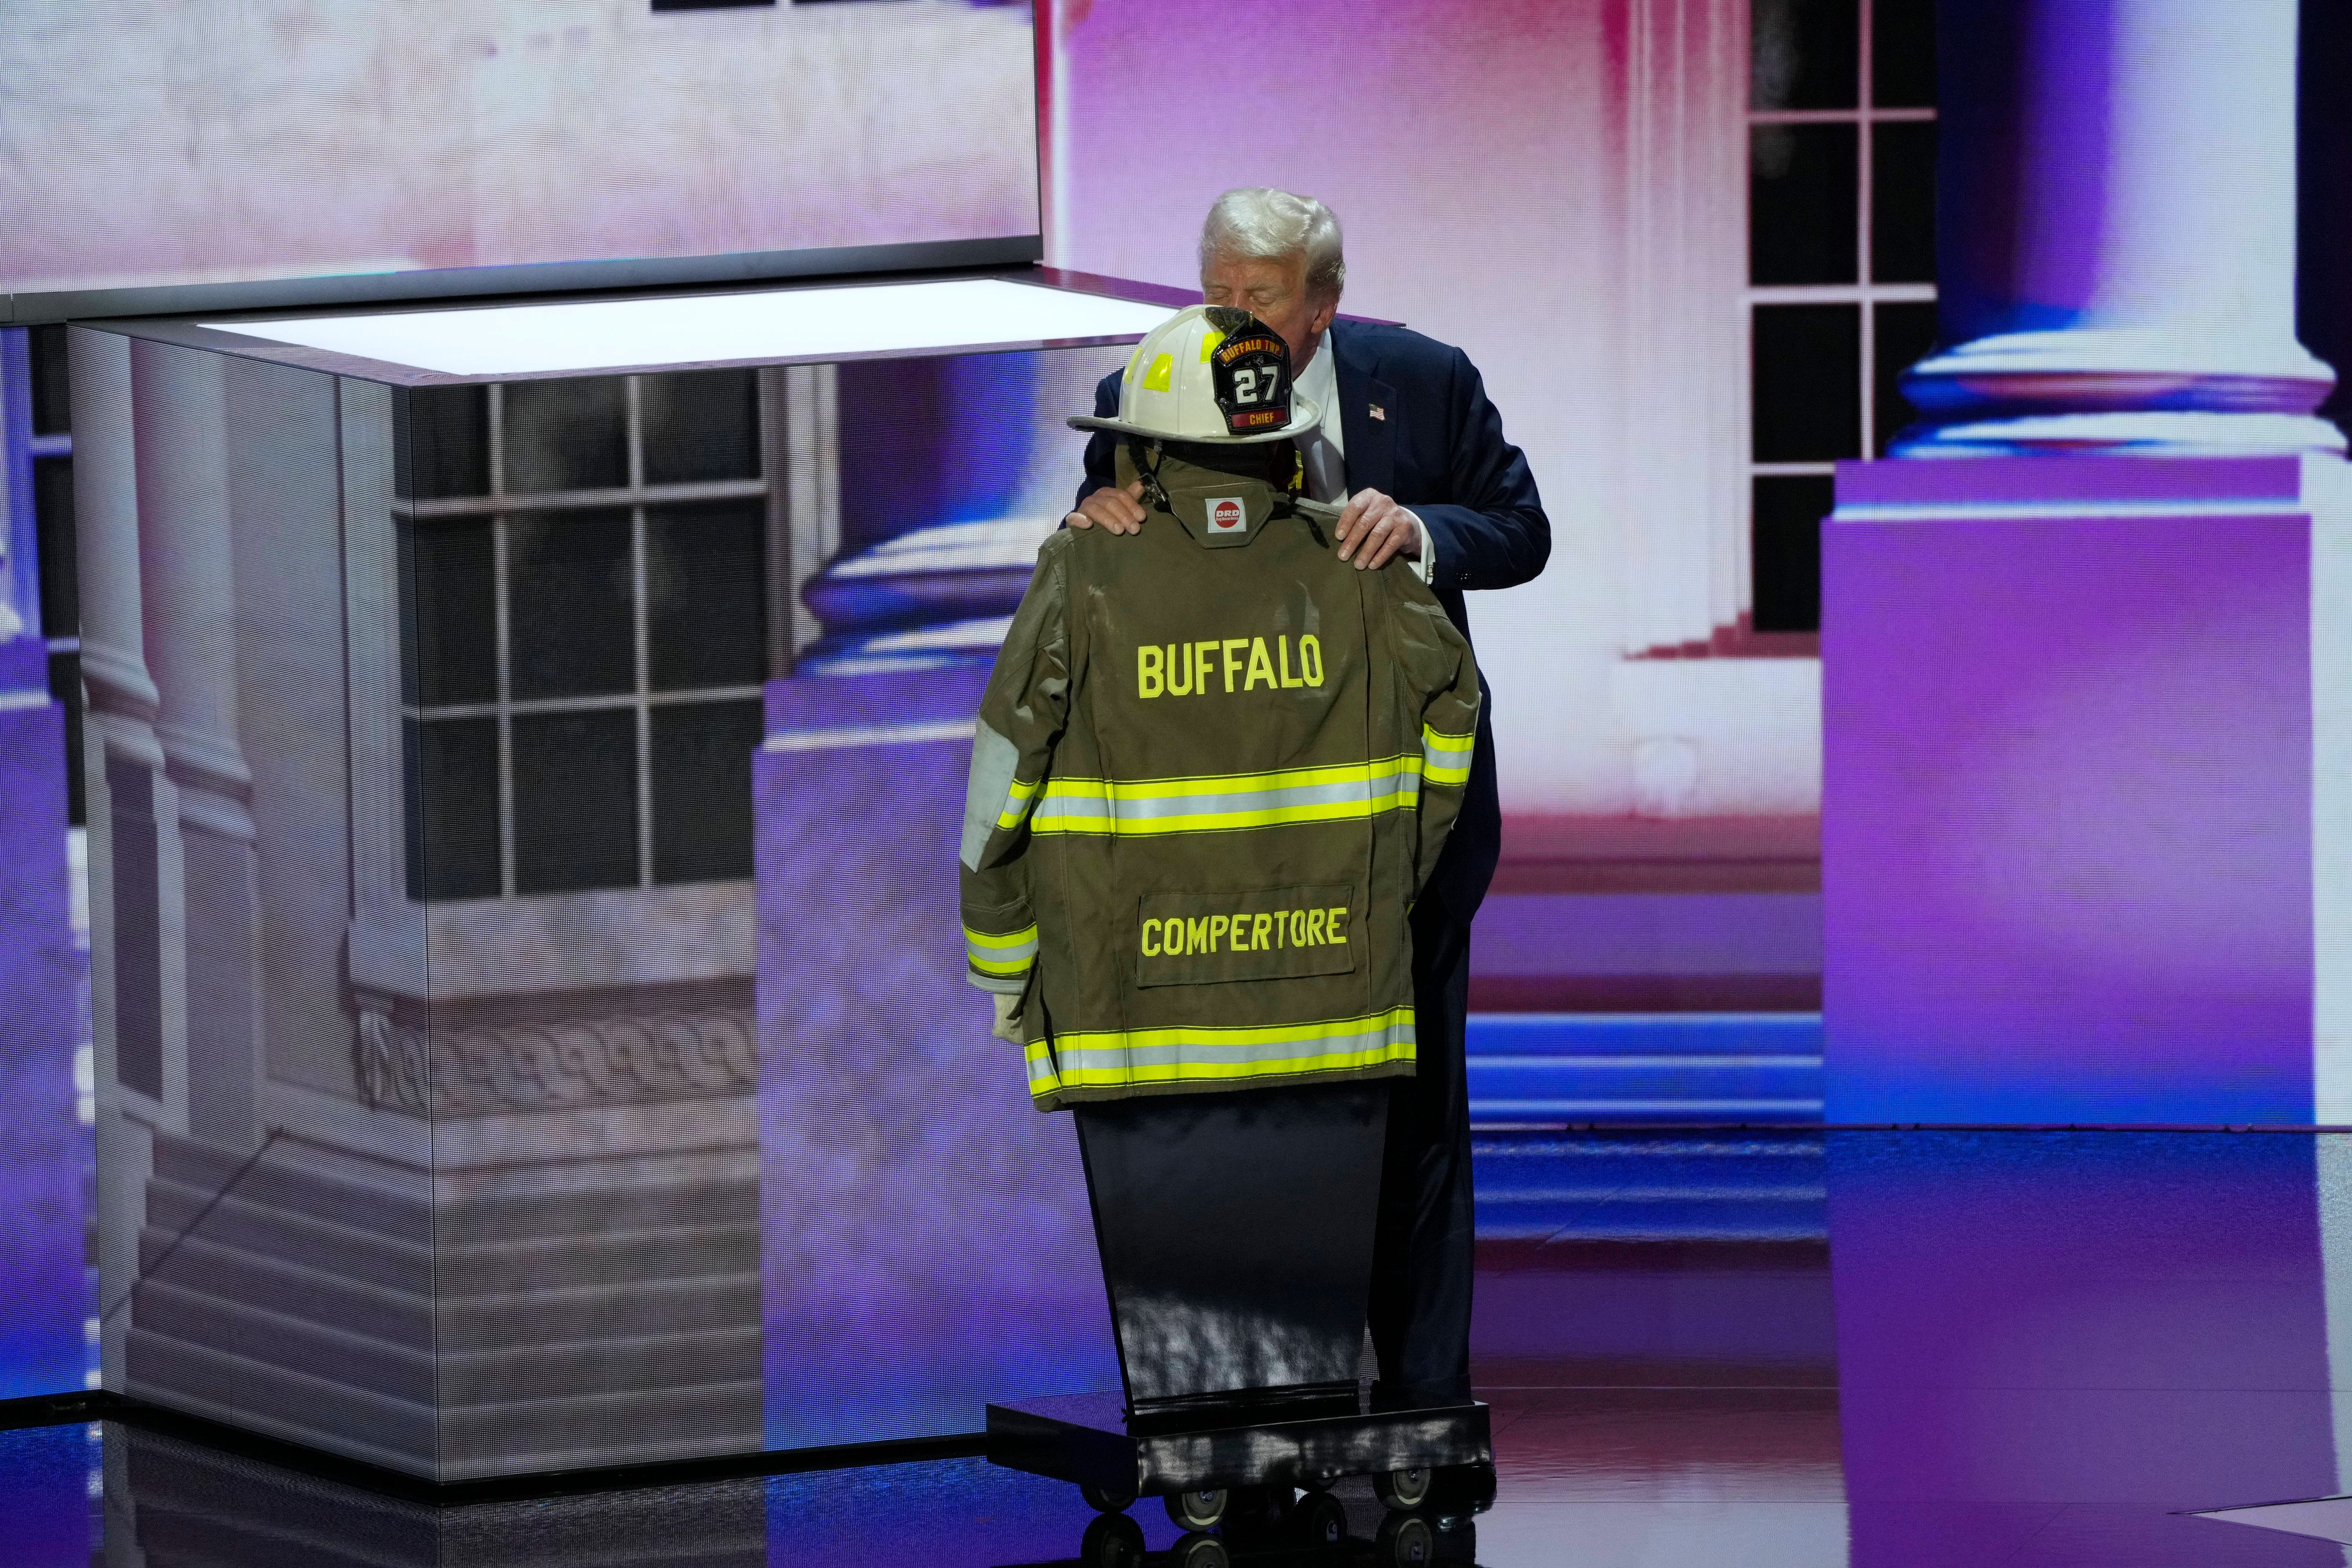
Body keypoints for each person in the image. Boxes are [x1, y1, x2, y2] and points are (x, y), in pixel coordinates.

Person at [1068, 188, 1550, 1413]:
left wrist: (1425, 529)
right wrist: (1094, 519)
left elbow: (1521, 529)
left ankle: (1428, 1400)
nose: (1229, 316)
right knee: (1258, 1116)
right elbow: (1099, 564)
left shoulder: (1424, 381)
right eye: (1215, 288)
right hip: (1234, 843)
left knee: (1415, 1106)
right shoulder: (1144, 392)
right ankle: (1262, 1394)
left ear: (1323, 304)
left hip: (1405, 829)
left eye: (1260, 296)